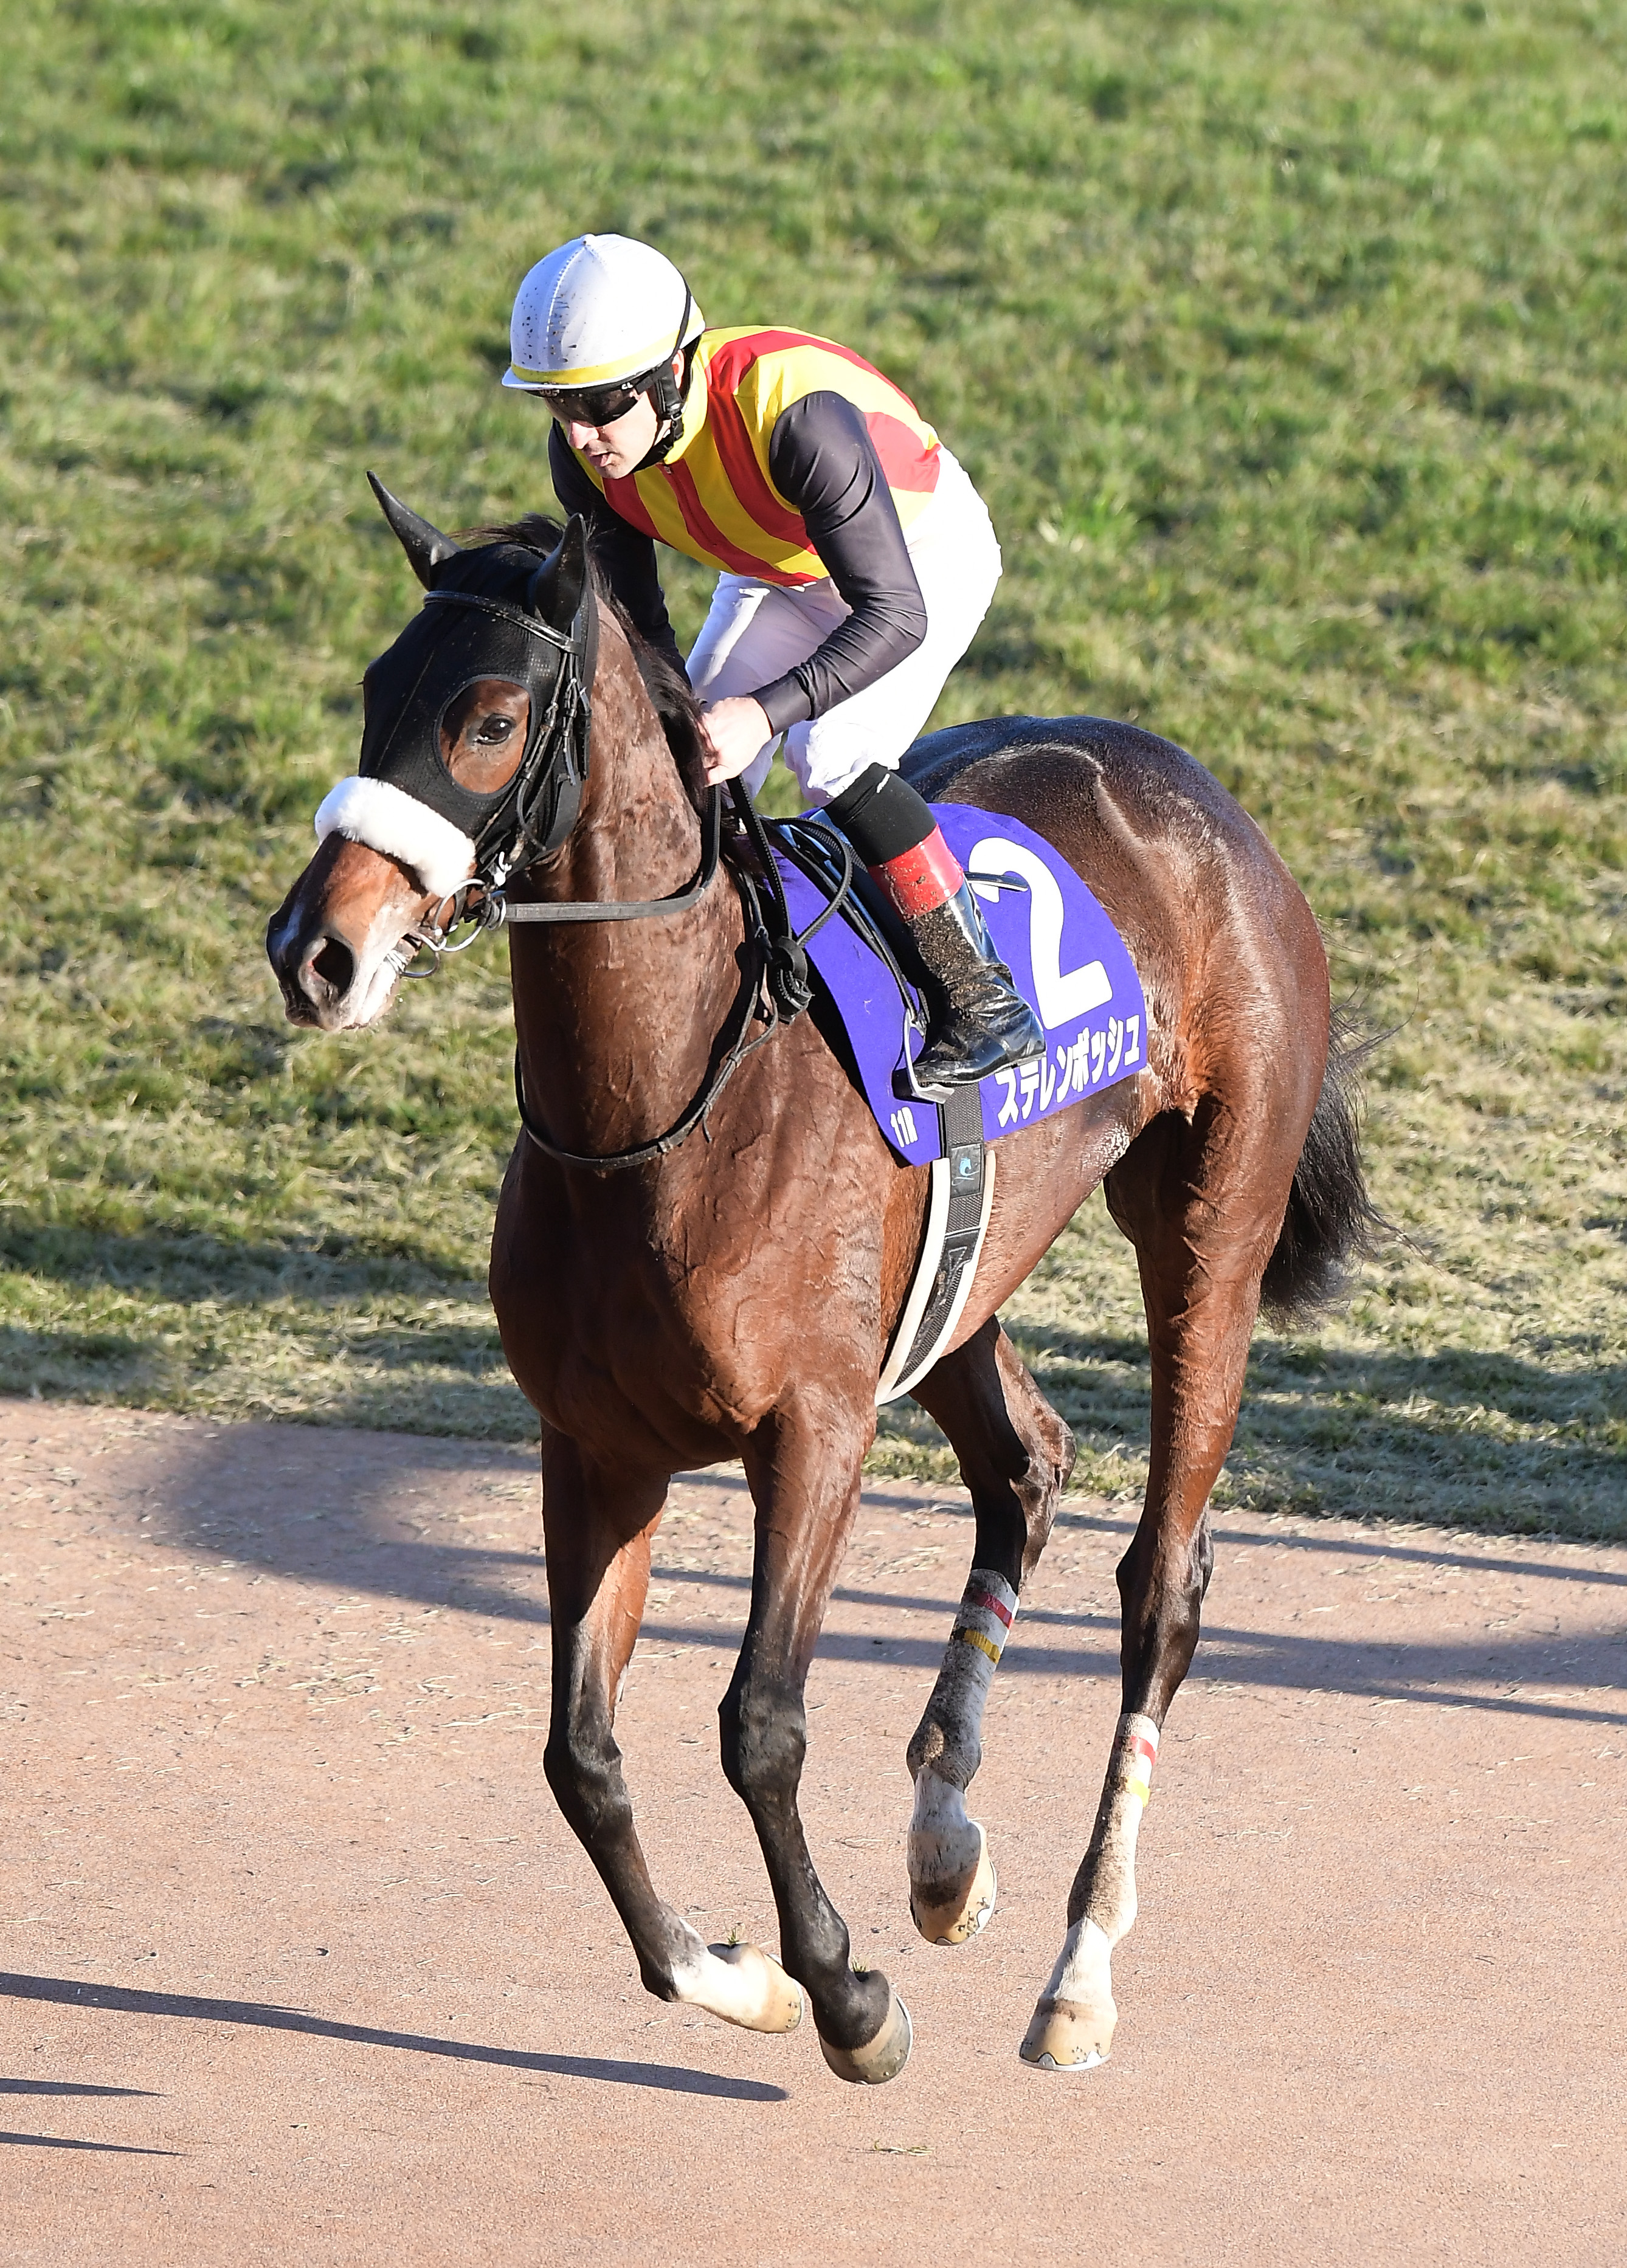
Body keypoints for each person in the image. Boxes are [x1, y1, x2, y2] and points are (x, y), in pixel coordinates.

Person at [501, 232, 1044, 1095]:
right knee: (679, 757)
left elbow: (894, 613)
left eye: (602, 405)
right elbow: (643, 628)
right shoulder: (586, 454)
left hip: (917, 563)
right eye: (557, 407)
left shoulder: (797, 418)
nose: (581, 435)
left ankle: (984, 1001)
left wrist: (762, 712)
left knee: (828, 754)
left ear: (672, 373)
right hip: (779, 567)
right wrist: (691, 717)